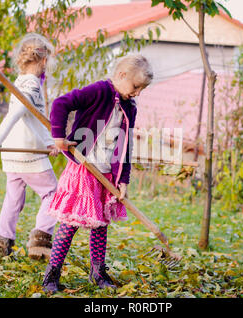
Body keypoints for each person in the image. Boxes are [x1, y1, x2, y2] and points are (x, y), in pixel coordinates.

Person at [42, 54, 153, 293]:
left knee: (100, 224)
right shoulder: (99, 91)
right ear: (122, 75)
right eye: (136, 87)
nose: (137, 93)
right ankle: (52, 274)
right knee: (70, 223)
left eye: (141, 90)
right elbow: (61, 103)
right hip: (83, 168)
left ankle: (97, 272)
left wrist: (123, 179)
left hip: (105, 175)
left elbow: (125, 146)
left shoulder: (129, 107)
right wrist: (59, 136)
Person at [0, 33, 59, 261]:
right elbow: (16, 114)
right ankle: (40, 243)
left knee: (13, 199)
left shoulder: (19, 80)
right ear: (44, 61)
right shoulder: (32, 84)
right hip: (27, 153)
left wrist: (49, 141)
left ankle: (0, 245)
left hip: (12, 154)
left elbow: (34, 118)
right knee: (53, 193)